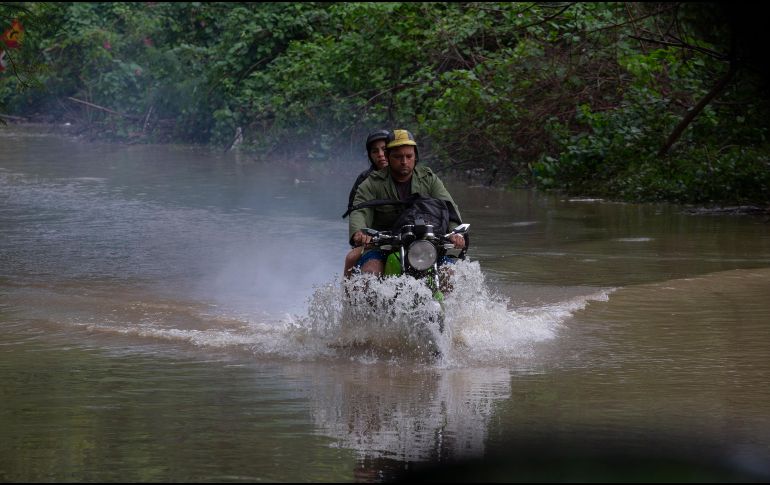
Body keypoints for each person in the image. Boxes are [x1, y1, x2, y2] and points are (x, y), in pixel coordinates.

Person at [348, 129, 465, 276]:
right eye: (397, 157)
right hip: (383, 246)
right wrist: (359, 232)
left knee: (452, 274)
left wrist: (456, 233)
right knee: (370, 273)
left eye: (409, 156)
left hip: (426, 245)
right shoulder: (371, 183)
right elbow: (359, 211)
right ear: (388, 157)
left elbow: (449, 208)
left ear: (415, 157)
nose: (404, 161)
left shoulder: (429, 179)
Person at [343, 129, 390, 277]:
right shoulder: (365, 180)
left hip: (405, 235)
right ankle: (349, 291)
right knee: (351, 258)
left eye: (384, 149)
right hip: (373, 239)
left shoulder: (410, 176)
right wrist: (360, 233)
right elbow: (355, 210)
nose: (380, 155)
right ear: (370, 155)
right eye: (375, 151)